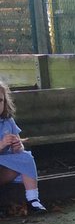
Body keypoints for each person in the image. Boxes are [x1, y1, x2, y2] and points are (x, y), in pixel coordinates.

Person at [0, 78, 48, 214]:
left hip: (6, 167)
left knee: (26, 157)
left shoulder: (7, 121)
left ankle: (33, 200)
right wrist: (2, 143)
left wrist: (18, 146)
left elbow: (18, 143)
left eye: (0, 101)